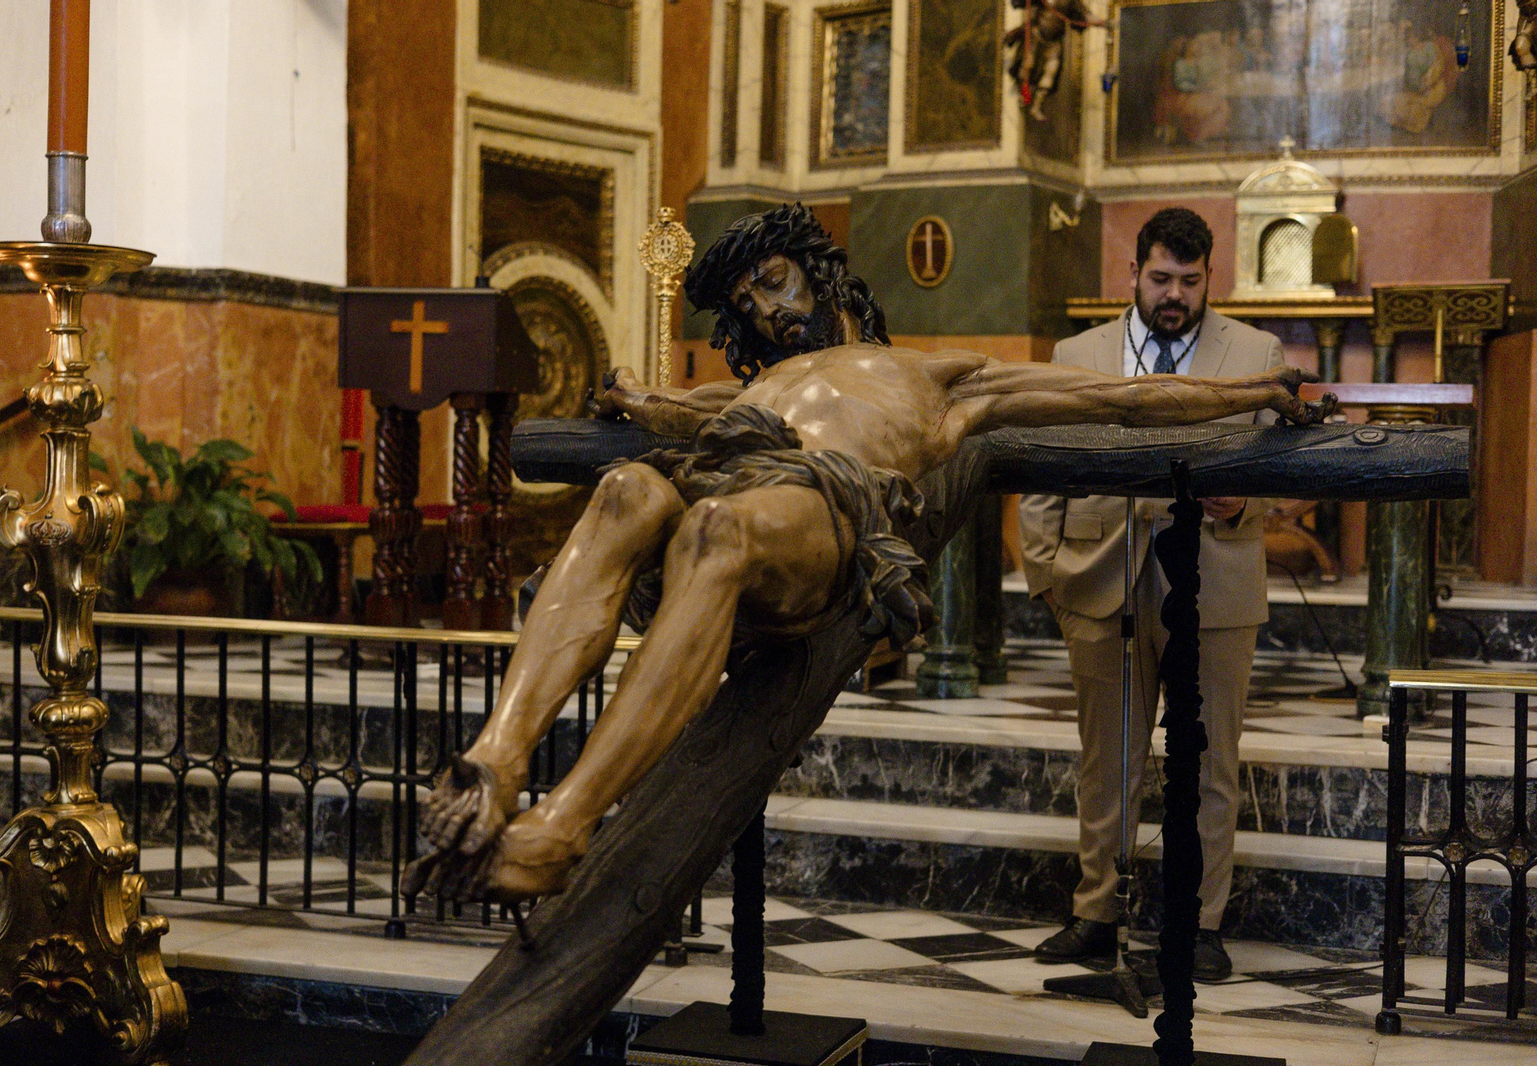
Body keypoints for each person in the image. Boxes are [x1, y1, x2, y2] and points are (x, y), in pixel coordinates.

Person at [403, 204, 1329, 907]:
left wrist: (1256, 392)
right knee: (627, 491)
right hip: (728, 471)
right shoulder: (753, 383)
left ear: (821, 273)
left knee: (717, 531)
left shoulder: (932, 375)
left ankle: (562, 827)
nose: (766, 309)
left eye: (774, 280)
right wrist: (633, 400)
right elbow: (658, 413)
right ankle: (494, 763)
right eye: (747, 303)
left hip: (818, 512)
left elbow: (1121, 401)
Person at [1019, 207, 1287, 983]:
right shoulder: (1079, 354)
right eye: (1161, 279)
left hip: (1217, 584)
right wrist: (1048, 575)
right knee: (1108, 761)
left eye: (1190, 282)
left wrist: (1247, 504)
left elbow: (1277, 461)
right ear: (1132, 274)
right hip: (1102, 581)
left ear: (1211, 280)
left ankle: (1199, 923)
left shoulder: (1253, 351)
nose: (1174, 295)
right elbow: (1042, 467)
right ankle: (1096, 912)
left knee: (1209, 764)